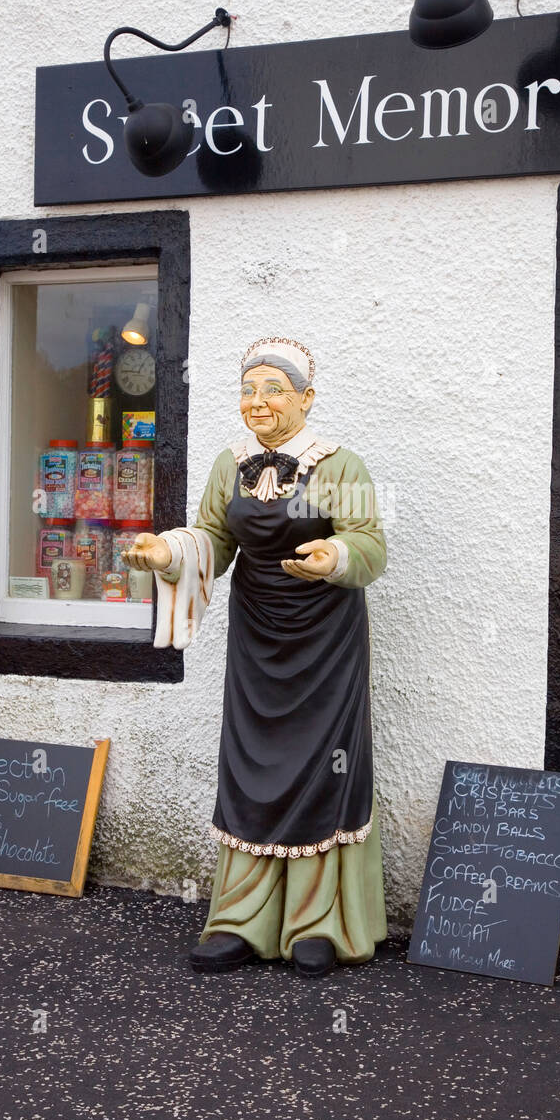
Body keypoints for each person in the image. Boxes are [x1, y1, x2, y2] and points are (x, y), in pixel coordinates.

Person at [124, 337, 387, 977]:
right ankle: (239, 919)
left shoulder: (340, 464)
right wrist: (167, 554)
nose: (259, 401)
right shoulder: (229, 463)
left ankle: (317, 924)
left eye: (274, 389)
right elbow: (213, 538)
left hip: (324, 640)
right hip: (257, 635)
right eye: (249, 389)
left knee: (322, 767)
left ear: (305, 397)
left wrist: (334, 556)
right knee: (252, 764)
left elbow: (369, 544)